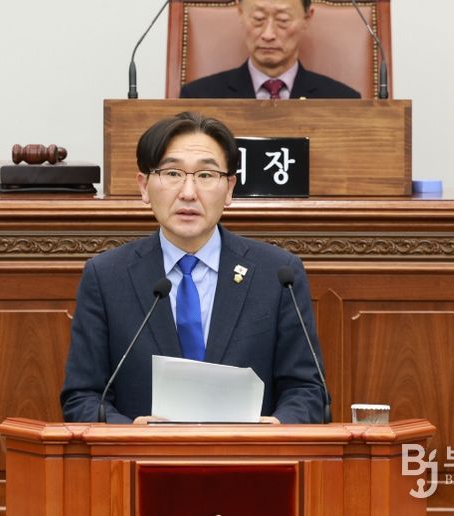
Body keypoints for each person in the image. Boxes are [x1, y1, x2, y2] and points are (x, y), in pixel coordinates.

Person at [60, 112, 328, 424]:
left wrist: (278, 428)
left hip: (248, 454)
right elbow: (82, 396)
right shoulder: (107, 276)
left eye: (205, 175)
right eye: (172, 173)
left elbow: (308, 390)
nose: (188, 193)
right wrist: (129, 432)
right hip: (140, 454)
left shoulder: (278, 274)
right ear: (144, 186)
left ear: (229, 189)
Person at [179, 0, 360, 99]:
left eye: (283, 20)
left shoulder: (343, 101)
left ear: (307, 18)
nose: (268, 34)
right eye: (258, 18)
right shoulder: (198, 98)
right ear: (240, 14)